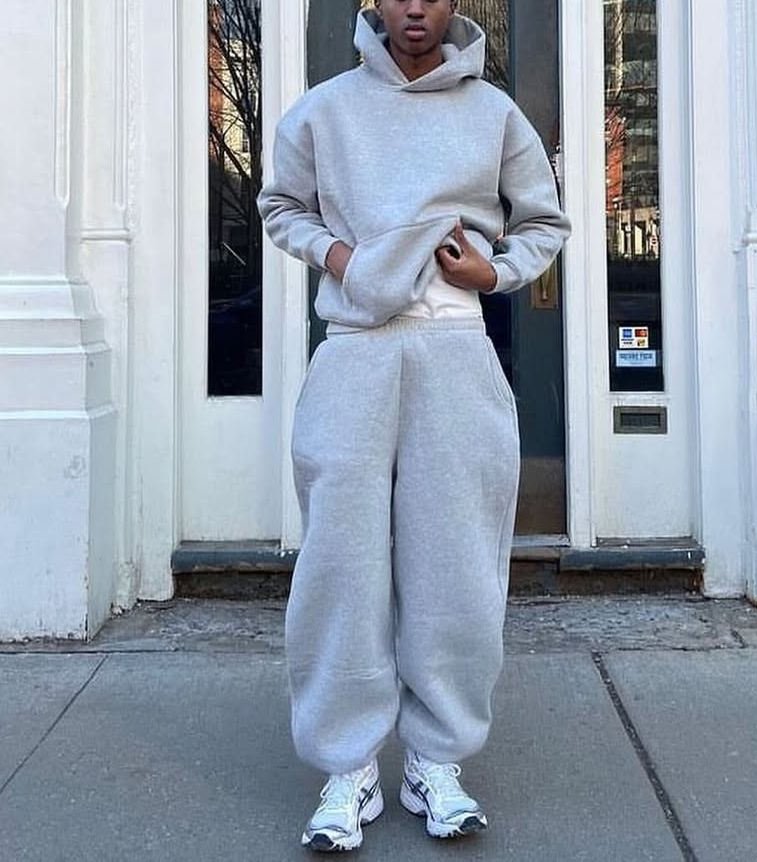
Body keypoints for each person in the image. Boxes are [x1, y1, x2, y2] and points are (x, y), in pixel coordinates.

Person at [257, 0, 571, 852]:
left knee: (457, 560)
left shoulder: (492, 113)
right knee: (340, 561)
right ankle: (348, 766)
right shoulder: (324, 109)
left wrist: (494, 272)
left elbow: (543, 221)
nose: (415, 8)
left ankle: (437, 758)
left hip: (455, 348)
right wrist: (342, 258)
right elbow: (281, 205)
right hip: (355, 351)